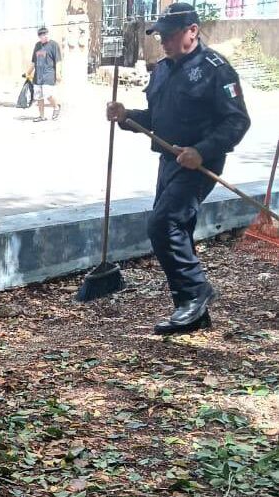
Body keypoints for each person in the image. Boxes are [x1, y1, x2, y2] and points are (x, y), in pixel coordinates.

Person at [106, 2, 250, 335]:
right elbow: (157, 120)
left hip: (199, 164)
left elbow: (237, 121)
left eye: (170, 36)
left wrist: (202, 151)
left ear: (192, 31)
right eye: (161, 36)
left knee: (163, 224)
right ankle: (192, 312)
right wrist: (127, 116)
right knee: (178, 228)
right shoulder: (163, 70)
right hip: (170, 160)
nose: (164, 42)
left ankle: (195, 294)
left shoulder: (217, 69)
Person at [29, 27, 61, 122]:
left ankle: (56, 107)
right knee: (39, 96)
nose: (45, 36)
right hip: (38, 75)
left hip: (49, 74)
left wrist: (58, 73)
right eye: (42, 35)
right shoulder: (37, 46)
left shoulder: (53, 45)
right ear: (39, 36)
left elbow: (58, 61)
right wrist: (28, 73)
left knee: (48, 93)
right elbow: (34, 62)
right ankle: (42, 116)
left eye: (46, 34)